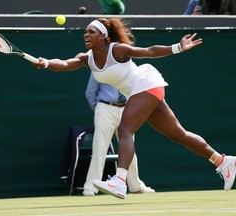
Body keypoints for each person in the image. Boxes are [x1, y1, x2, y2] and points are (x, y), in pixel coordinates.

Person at [34, 18, 236, 199]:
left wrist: (178, 47)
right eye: (85, 32)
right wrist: (45, 63)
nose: (86, 34)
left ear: (103, 35)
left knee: (125, 130)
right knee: (179, 135)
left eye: (91, 31)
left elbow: (149, 51)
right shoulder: (86, 59)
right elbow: (65, 64)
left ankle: (120, 181)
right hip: (141, 92)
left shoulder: (117, 49)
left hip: (146, 83)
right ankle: (223, 162)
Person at [83, 74, 155, 196]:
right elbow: (90, 91)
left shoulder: (129, 68)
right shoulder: (100, 67)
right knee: (99, 149)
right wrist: (99, 108)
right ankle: (90, 187)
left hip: (126, 109)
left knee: (129, 148)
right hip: (105, 108)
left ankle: (135, 185)